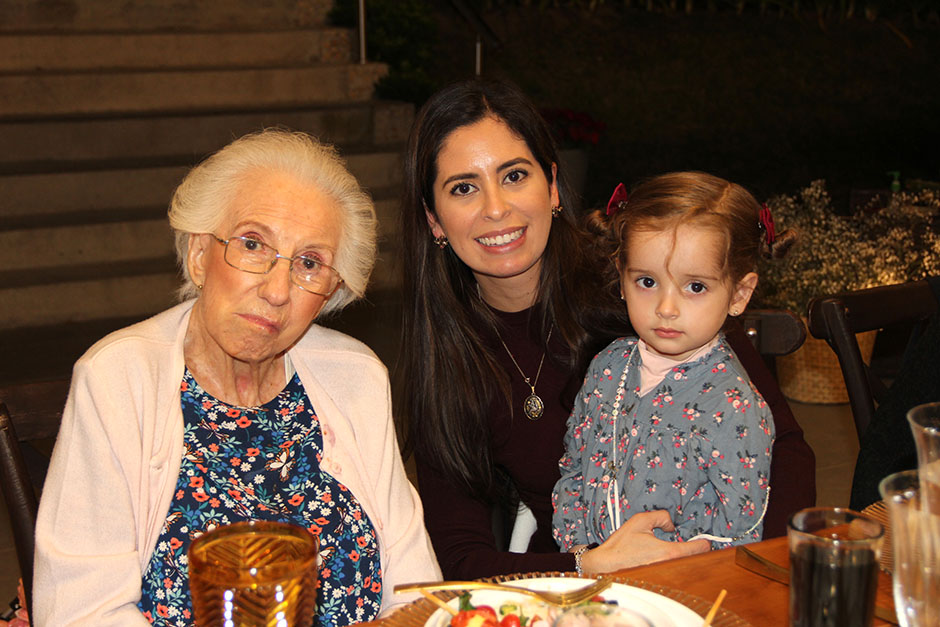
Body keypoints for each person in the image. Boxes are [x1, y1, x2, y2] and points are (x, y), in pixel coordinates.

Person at [396, 77, 815, 580]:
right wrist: (585, 566)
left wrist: (757, 576)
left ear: (552, 185)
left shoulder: (645, 284)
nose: (495, 208)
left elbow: (784, 450)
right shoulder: (447, 360)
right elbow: (461, 559)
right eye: (464, 188)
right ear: (434, 218)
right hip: (573, 587)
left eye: (514, 176)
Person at [32, 129, 440, 626]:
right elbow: (81, 611)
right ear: (200, 255)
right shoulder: (117, 379)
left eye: (309, 263)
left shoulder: (357, 377)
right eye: (253, 244)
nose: (277, 290)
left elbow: (418, 593)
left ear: (331, 291)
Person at [553, 173, 797, 568]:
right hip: (590, 575)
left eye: (695, 287)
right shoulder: (607, 367)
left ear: (738, 294)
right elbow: (574, 469)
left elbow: (739, 535)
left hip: (681, 588)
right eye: (647, 281)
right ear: (621, 277)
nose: (666, 308)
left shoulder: (734, 406)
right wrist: (580, 555)